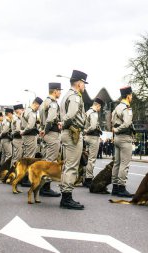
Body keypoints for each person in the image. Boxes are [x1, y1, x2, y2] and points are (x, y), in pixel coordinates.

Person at [59, 70, 88, 210]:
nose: (84, 87)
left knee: (67, 165)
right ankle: (66, 197)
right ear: (79, 83)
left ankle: (65, 195)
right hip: (73, 133)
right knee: (72, 166)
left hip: (67, 133)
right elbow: (71, 115)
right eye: (84, 84)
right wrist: (63, 122)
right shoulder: (76, 96)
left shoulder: (66, 95)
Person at [39, 83, 62, 197]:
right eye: (59, 91)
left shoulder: (44, 102)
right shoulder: (53, 103)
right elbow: (51, 119)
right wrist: (46, 130)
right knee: (51, 162)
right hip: (51, 134)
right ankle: (45, 188)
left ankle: (42, 186)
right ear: (55, 91)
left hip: (47, 134)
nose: (60, 93)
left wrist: (43, 130)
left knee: (46, 160)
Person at [111, 86, 134, 198]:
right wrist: (118, 129)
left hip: (117, 138)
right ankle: (121, 187)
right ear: (128, 96)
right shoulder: (127, 108)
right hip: (125, 137)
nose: (132, 97)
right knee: (125, 164)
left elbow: (112, 121)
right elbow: (127, 124)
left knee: (117, 163)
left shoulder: (116, 108)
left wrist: (115, 130)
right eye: (131, 95)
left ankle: (115, 187)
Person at [83, 97, 104, 188]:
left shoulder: (87, 112)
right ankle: (89, 179)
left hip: (86, 138)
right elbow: (93, 126)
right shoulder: (94, 113)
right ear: (97, 105)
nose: (100, 109)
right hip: (93, 137)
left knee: (86, 159)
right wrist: (87, 131)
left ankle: (84, 177)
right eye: (100, 107)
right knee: (92, 159)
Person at [11, 104, 25, 171]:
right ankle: (13, 172)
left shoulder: (18, 118)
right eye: (22, 109)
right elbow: (19, 130)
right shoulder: (17, 119)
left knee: (16, 156)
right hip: (18, 139)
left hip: (18, 139)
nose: (23, 110)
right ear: (17, 110)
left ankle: (13, 172)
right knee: (17, 157)